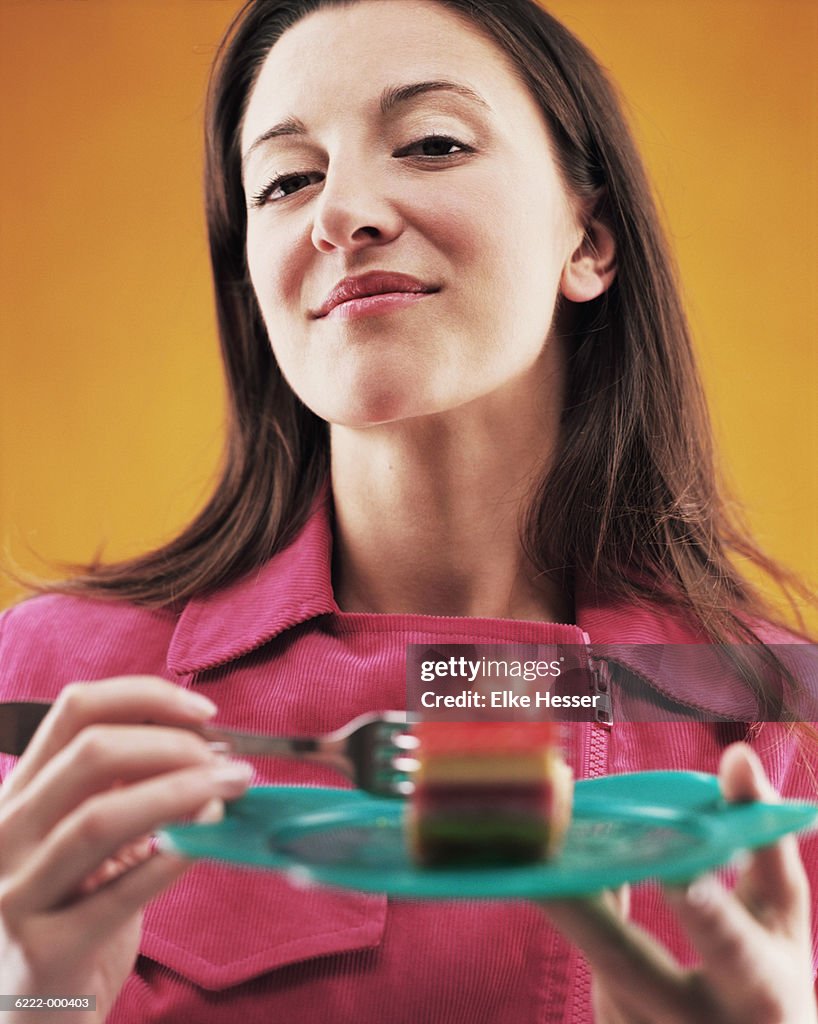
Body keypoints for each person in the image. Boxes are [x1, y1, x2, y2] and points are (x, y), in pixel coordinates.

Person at [0, 0, 816, 1021]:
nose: (339, 214)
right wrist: (34, 1003)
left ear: (589, 241)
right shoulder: (44, 690)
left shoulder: (780, 715)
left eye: (430, 143)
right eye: (287, 180)